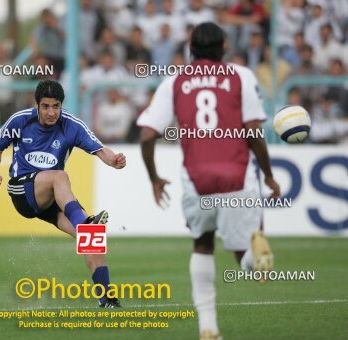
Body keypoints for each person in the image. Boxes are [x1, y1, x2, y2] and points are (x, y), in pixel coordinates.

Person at [137, 22, 281, 339]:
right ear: (224, 48)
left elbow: (147, 136)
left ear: (191, 48)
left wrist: (154, 178)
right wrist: (269, 175)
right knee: (242, 248)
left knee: (202, 245)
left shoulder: (174, 81)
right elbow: (254, 133)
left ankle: (208, 327)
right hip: (237, 177)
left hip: (196, 179)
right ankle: (254, 261)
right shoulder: (241, 76)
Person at [0, 80, 126, 308]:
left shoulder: (72, 125)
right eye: (46, 106)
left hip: (51, 196)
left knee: (93, 242)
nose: (52, 112)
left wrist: (112, 160)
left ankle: (107, 299)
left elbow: (100, 149)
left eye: (56, 106)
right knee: (59, 176)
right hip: (22, 191)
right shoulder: (21, 120)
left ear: (61, 105)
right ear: (37, 105)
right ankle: (85, 225)